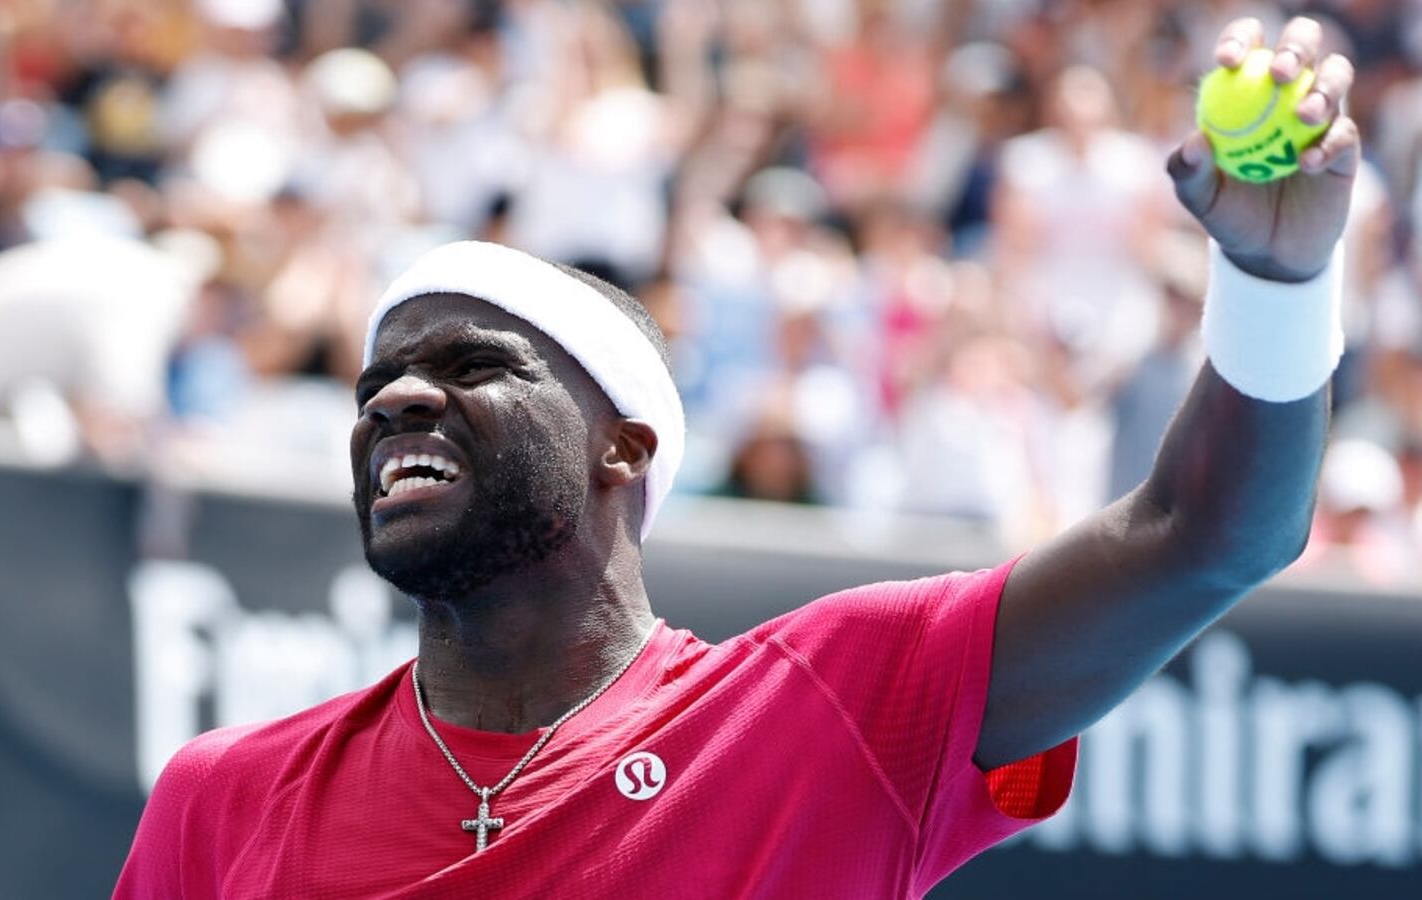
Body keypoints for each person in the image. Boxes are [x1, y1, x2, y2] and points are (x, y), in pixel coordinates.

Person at [113, 18, 1359, 899]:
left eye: (473, 364)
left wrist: (1273, 284)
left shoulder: (837, 703)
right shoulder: (221, 800)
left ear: (626, 446)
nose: (400, 402)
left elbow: (1213, 532)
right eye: (377, 384)